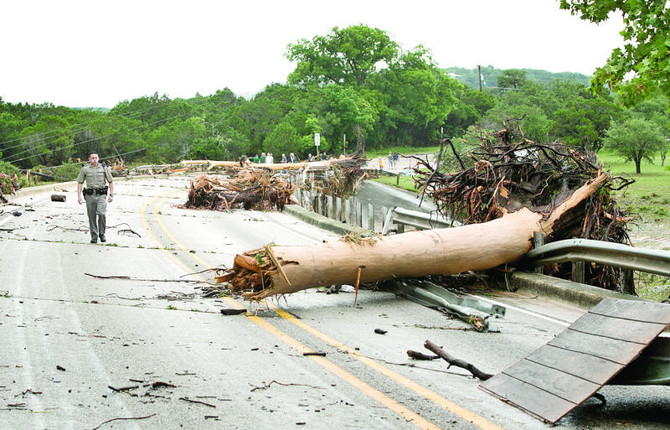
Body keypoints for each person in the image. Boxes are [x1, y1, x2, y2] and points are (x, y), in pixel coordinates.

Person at [77, 152, 114, 244]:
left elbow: (111, 181)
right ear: (89, 159)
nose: (94, 159)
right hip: (90, 195)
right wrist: (79, 196)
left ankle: (102, 233)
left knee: (101, 213)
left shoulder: (103, 168)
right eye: (92, 158)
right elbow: (80, 182)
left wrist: (111, 194)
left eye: (96, 158)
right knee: (91, 216)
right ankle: (94, 236)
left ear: (98, 158)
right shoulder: (85, 169)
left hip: (101, 195)